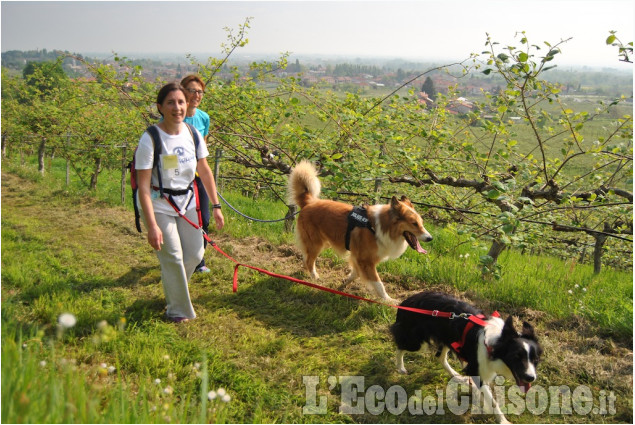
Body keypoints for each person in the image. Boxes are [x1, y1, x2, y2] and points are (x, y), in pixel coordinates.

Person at [136, 82, 224, 323]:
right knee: (173, 256)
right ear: (160, 107)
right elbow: (143, 185)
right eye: (171, 102)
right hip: (159, 202)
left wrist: (216, 206)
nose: (177, 107)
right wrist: (152, 225)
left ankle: (174, 291)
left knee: (195, 254)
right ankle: (177, 311)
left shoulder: (193, 133)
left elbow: (204, 170)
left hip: (187, 200)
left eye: (181, 102)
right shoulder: (151, 138)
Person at [180, 74, 214, 273]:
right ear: (183, 91)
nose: (196, 95)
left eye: (200, 91)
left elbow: (203, 149)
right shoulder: (173, 115)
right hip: (178, 178)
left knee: (204, 218)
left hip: (198, 176)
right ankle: (182, 258)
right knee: (183, 217)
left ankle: (199, 260)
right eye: (192, 90)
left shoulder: (204, 118)